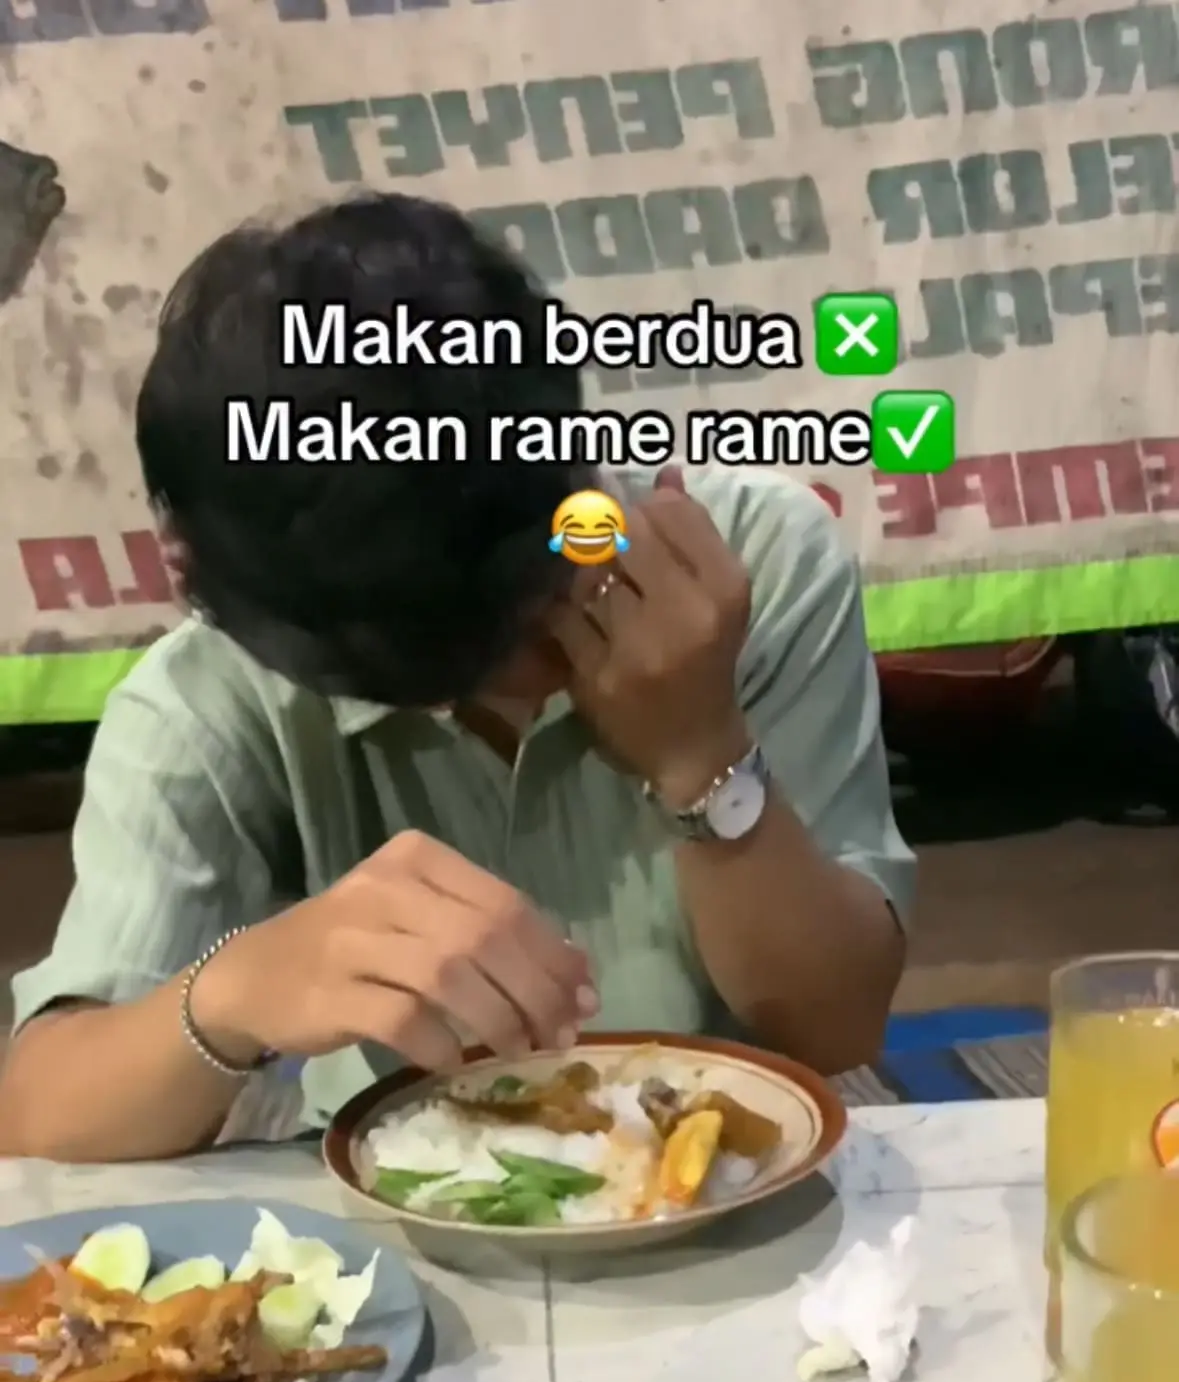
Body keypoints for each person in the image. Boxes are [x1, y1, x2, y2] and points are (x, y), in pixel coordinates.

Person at [0, 194, 914, 1164]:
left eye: (537, 609)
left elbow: (836, 1029)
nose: (530, 672)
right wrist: (237, 987)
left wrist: (703, 755)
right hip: (403, 1201)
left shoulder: (750, 567)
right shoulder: (211, 695)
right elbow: (37, 1115)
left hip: (722, 1181)